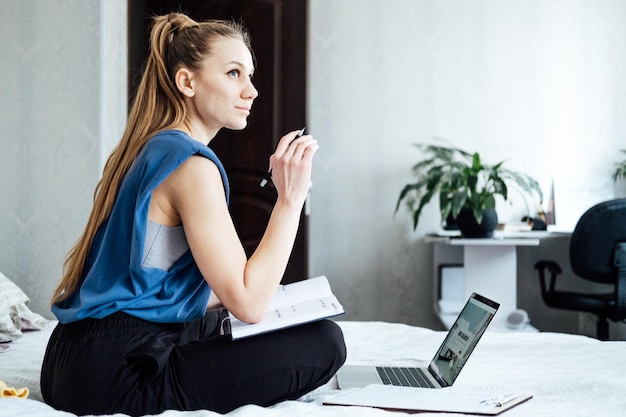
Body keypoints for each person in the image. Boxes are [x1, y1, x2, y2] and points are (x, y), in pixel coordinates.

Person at [40, 12, 346, 416]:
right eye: (234, 73)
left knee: (234, 323)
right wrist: (291, 198)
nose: (251, 91)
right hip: (115, 372)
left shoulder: (154, 148)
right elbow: (249, 304)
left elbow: (154, 285)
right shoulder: (191, 165)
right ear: (187, 82)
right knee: (325, 342)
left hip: (71, 359)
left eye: (250, 75)